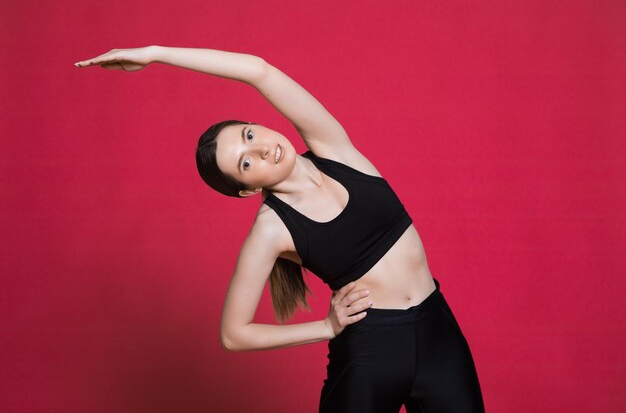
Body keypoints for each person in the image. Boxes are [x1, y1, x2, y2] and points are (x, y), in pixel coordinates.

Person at [75, 45, 486, 413]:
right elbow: (233, 335)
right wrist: (326, 328)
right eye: (246, 163)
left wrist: (156, 53)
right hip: (371, 352)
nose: (262, 149)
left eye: (250, 134)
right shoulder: (271, 230)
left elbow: (258, 70)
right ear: (246, 189)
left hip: (438, 332)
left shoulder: (333, 148)